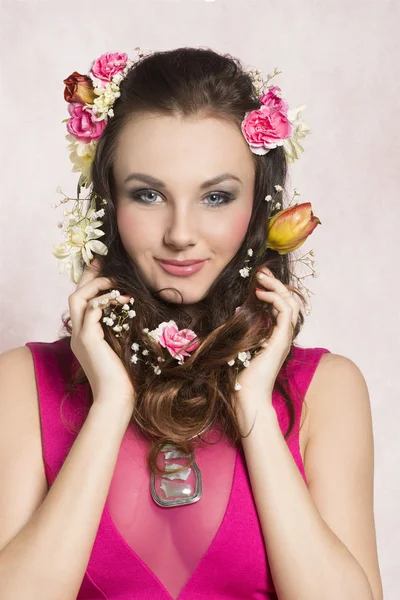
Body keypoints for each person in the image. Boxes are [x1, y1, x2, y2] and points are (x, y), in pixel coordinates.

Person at [0, 47, 383, 600]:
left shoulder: (326, 390)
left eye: (216, 196)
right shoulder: (20, 384)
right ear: (107, 202)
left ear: (259, 207)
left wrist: (254, 409)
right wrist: (109, 404)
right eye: (149, 194)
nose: (181, 232)